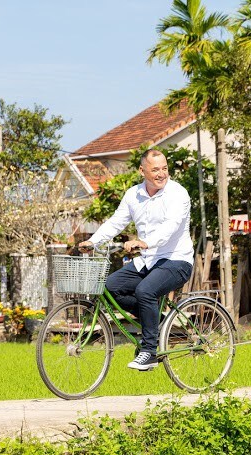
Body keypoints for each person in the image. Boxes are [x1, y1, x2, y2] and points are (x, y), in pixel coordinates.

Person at [78, 149, 194, 370]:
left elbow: (170, 227)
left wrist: (145, 242)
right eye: (155, 169)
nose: (161, 174)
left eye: (164, 168)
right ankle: (157, 323)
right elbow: (115, 222)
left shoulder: (178, 194)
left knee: (145, 291)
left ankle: (149, 351)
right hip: (147, 261)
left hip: (176, 261)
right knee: (109, 288)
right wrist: (94, 241)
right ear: (142, 171)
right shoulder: (133, 195)